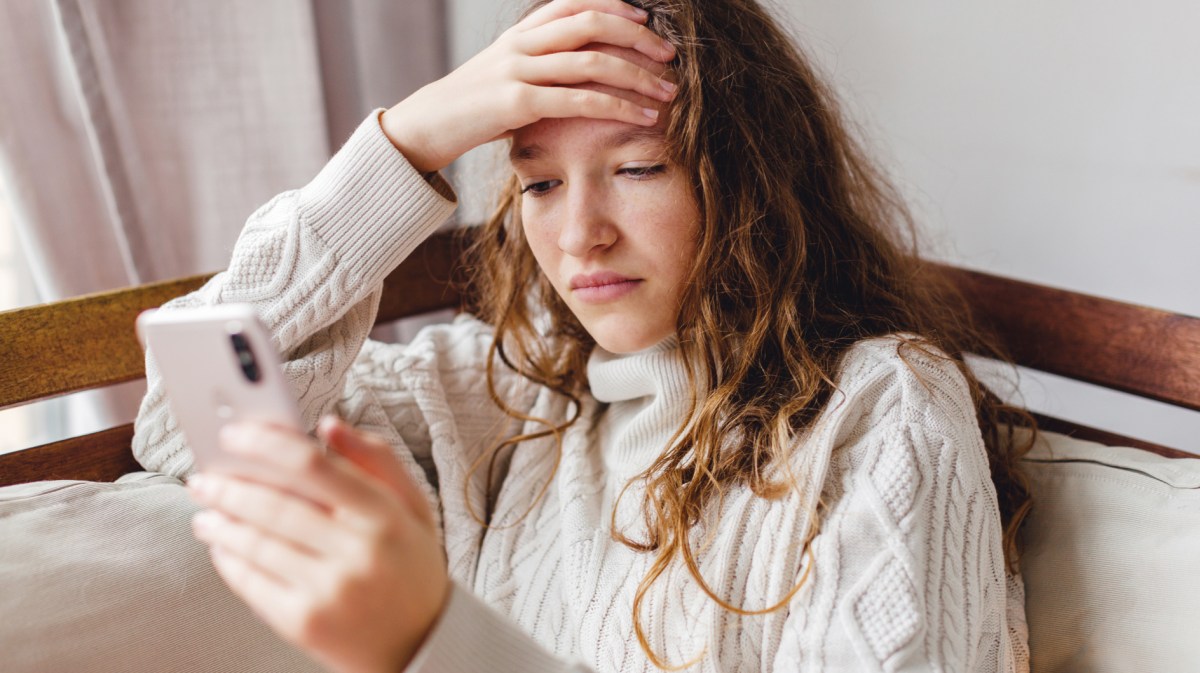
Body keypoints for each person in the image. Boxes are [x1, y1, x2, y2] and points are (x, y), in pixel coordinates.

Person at [133, 0, 1035, 671]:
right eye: (539, 185)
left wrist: (432, 637)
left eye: (637, 167)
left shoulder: (881, 410)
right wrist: (406, 141)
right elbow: (185, 409)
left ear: (757, 183)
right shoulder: (505, 397)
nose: (579, 235)